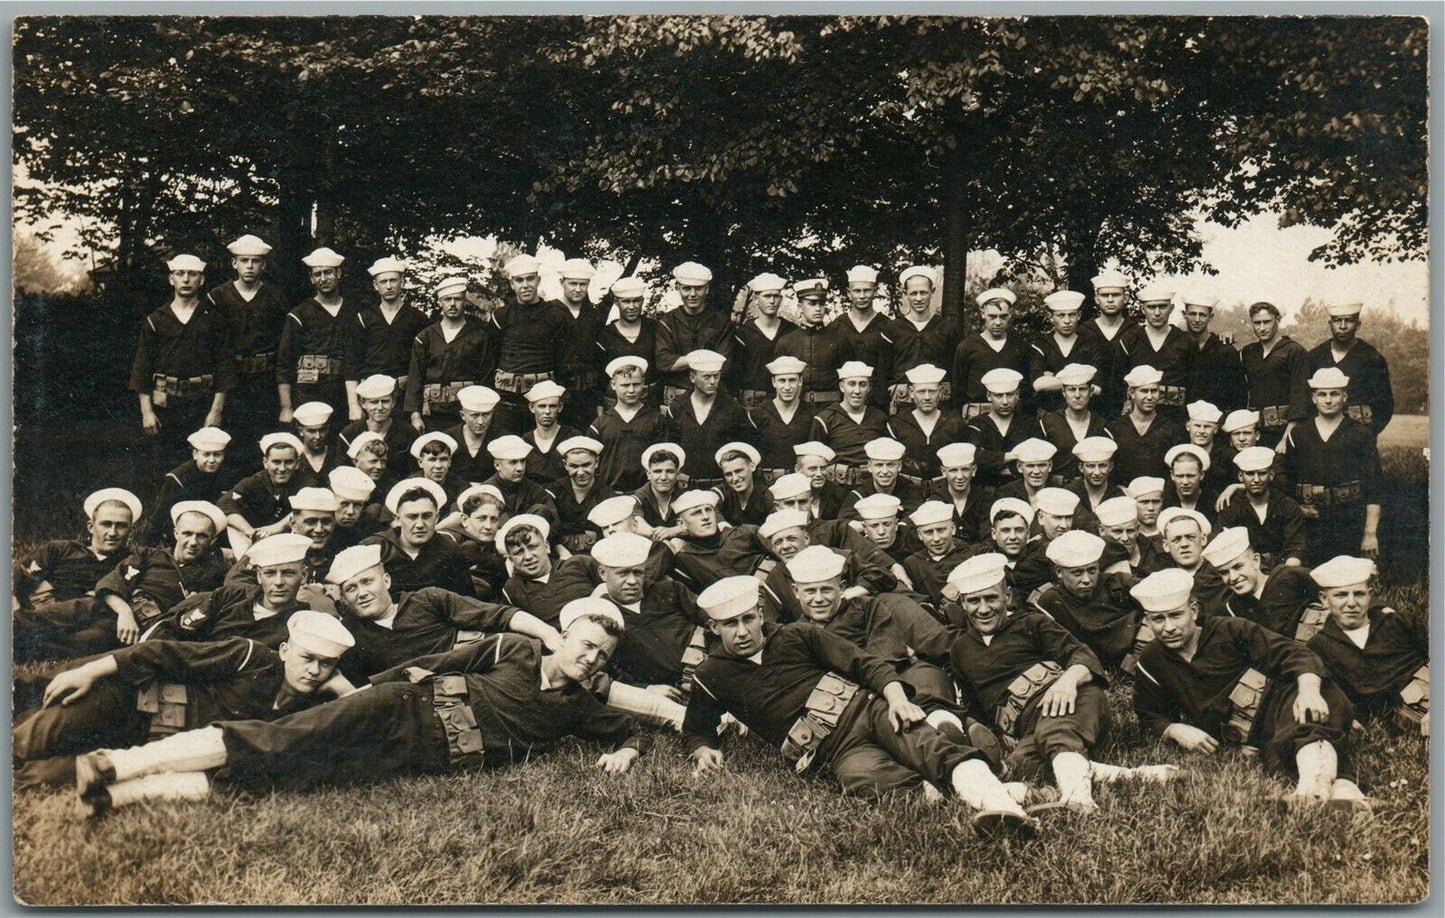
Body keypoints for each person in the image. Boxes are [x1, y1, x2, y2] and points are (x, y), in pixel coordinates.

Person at [73, 611, 644, 817]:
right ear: (564, 636)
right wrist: (359, 696)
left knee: (292, 777)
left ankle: (119, 795)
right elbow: (434, 663)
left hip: (419, 757)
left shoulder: (577, 708)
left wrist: (624, 751)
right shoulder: (515, 649)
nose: (590, 657)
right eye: (585, 644)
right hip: (400, 707)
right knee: (280, 740)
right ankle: (118, 762)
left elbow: (626, 729)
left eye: (602, 655)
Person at [684, 575, 1037, 834]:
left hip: (867, 708)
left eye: (748, 619)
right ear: (714, 626)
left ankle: (1007, 811)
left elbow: (865, 664)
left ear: (761, 614)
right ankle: (1003, 790)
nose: (742, 631)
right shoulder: (711, 674)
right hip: (833, 750)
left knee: (926, 746)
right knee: (864, 779)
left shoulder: (797, 634)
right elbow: (696, 728)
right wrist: (703, 748)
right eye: (730, 624)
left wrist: (896, 699)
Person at [15, 610, 355, 791]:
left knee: (43, 778)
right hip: (127, 704)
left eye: (326, 664)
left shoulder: (307, 710)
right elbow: (164, 652)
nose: (314, 670)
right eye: (307, 658)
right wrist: (89, 670)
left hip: (140, 748)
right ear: (284, 650)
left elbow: (357, 711)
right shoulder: (252, 657)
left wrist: (343, 689)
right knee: (27, 742)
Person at [949, 553, 1173, 814]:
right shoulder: (960, 648)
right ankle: (1142, 775)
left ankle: (1080, 800)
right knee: (1017, 769)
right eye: (974, 601)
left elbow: (1082, 655)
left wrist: (1067, 681)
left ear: (1007, 597)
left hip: (1072, 699)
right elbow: (974, 708)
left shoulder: (1032, 622)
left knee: (1056, 735)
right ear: (963, 603)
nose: (984, 609)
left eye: (991, 598)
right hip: (1028, 727)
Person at [1130, 568, 1365, 811]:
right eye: (1158, 619)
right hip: (1249, 735)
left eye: (1176, 615)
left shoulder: (1230, 629)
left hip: (1279, 703)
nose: (1168, 627)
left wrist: (1309, 691)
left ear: (1194, 610)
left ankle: (1312, 791)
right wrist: (1175, 729)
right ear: (1147, 620)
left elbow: (1294, 653)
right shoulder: (1151, 659)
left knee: (1314, 702)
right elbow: (1148, 713)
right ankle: (1345, 791)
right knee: (1287, 747)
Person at [322, 544, 560, 681]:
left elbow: (499, 615)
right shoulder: (349, 636)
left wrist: (549, 634)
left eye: (367, 582)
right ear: (344, 598)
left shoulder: (427, 599)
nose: (362, 593)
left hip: (477, 673)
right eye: (351, 588)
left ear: (386, 580)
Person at [129, 253, 234, 475]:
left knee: (203, 465)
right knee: (164, 466)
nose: (186, 279)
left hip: (202, 405)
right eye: (180, 274)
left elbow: (225, 368)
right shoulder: (156, 320)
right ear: (171, 279)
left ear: (201, 280)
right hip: (165, 408)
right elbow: (142, 368)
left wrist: (216, 411)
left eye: (192, 274)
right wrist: (147, 412)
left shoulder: (214, 319)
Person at [14, 489, 144, 661]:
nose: (113, 533)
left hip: (93, 625)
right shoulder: (62, 549)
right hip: (49, 616)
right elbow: (17, 573)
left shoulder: (132, 561)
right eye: (106, 524)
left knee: (102, 635)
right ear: (91, 526)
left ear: (130, 530)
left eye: (121, 526)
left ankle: (24, 641)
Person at [1306, 556, 1428, 734]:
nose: (1351, 603)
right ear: (1324, 599)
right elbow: (1327, 690)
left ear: (1370, 595)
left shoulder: (1398, 622)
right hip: (1400, 718)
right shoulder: (1319, 646)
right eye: (1341, 595)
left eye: (1359, 594)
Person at [89, 501, 231, 649]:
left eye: (202, 536)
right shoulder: (147, 555)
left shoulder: (212, 575)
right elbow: (112, 583)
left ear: (213, 539)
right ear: (176, 533)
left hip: (148, 631)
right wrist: (125, 613)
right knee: (78, 608)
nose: (193, 542)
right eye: (187, 533)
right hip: (117, 611)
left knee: (88, 639)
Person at [1277, 367, 1383, 562]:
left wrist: (1370, 533)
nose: (1328, 400)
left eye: (1334, 394)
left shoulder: (1360, 434)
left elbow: (1374, 485)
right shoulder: (1299, 434)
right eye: (1322, 394)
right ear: (1313, 398)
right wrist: (1298, 509)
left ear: (1345, 397)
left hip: (1350, 521)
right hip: (1310, 523)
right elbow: (1286, 482)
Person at [145, 533, 315, 647]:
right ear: (258, 576)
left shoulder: (303, 625)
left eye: (288, 573)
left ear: (304, 576)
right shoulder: (231, 596)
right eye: (269, 573)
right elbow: (174, 627)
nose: (278, 582)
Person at [207, 235, 290, 456]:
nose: (250, 266)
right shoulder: (217, 297)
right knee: (228, 442)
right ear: (234, 263)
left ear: (264, 265)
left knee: (264, 442)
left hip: (265, 382)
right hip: (230, 382)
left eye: (255, 261)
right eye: (244, 260)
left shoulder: (275, 297)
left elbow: (284, 345)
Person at [1030, 531, 1150, 672]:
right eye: (1077, 573)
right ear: (1059, 572)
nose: (1087, 580)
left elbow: (1157, 590)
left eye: (1092, 570)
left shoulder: (1117, 582)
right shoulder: (1051, 600)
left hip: (1134, 658)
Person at [488, 254, 570, 437]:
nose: (525, 285)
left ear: (538, 280)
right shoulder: (501, 316)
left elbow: (563, 360)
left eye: (530, 279)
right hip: (507, 400)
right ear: (512, 284)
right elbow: (491, 357)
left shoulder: (555, 315)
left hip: (543, 399)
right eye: (519, 280)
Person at [277, 247, 358, 424]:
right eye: (317, 274)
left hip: (345, 393)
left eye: (328, 272)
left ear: (339, 273)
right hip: (309, 391)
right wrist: (286, 406)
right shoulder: (299, 314)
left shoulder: (354, 312)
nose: (323, 278)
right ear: (311, 278)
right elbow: (284, 364)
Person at [404, 276, 494, 434]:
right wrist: (415, 416)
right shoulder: (425, 337)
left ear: (464, 301)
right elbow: (415, 378)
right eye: (447, 299)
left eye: (457, 299)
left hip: (466, 414)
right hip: (432, 415)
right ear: (440, 302)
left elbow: (486, 378)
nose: (452, 304)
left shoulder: (479, 336)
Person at [362, 478, 475, 598]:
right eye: (412, 517)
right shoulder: (376, 547)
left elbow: (466, 600)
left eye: (426, 516)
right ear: (398, 519)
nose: (420, 524)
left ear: (437, 518)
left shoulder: (449, 550)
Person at [1202, 527, 1322, 640]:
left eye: (1238, 567)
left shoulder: (1287, 577)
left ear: (1256, 560)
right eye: (1224, 572)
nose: (1233, 577)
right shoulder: (1233, 607)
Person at [347, 256, 430, 417]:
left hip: (405, 396)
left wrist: (417, 408)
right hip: (371, 395)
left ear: (402, 282)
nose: (389, 286)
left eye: (393, 280)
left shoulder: (418, 318)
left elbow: (424, 365)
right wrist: (353, 405)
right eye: (383, 282)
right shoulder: (364, 318)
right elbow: (351, 363)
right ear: (375, 285)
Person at [664, 348, 755, 488]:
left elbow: (745, 447)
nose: (713, 382)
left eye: (716, 376)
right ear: (692, 377)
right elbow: (669, 449)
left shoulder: (732, 408)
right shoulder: (677, 407)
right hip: (684, 486)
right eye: (707, 377)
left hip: (722, 486)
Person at [1306, 302, 1393, 436]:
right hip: (1321, 436)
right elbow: (1305, 399)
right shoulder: (1314, 356)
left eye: (1349, 321)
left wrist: (1366, 435)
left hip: (1358, 435)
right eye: (1337, 321)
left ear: (1358, 325)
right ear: (1330, 324)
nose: (1343, 326)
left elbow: (1384, 405)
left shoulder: (1372, 358)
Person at [1215, 446, 1307, 571]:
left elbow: (1295, 548)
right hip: (1245, 571)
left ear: (1271, 475)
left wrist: (1284, 576)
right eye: (1250, 474)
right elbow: (1222, 547)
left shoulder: (1287, 505)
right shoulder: (1231, 509)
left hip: (1283, 571)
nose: (1256, 479)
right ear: (1240, 476)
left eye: (1262, 473)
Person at [655, 262, 733, 406]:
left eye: (698, 288)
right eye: (686, 288)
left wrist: (682, 361)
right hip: (675, 397)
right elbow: (662, 361)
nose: (692, 294)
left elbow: (724, 363)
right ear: (678, 289)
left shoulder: (721, 322)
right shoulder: (668, 322)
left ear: (707, 289)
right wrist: (702, 358)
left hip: (712, 396)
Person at [1111, 283, 1192, 421]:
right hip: (1137, 417)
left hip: (1175, 417)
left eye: (1162, 306)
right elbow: (1117, 383)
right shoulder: (1130, 339)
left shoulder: (1186, 341)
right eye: (1151, 307)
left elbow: (1194, 384)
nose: (1157, 313)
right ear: (1143, 309)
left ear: (1171, 308)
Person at [591, 357, 672, 494]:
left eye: (636, 384)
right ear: (613, 384)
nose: (631, 390)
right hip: (610, 495)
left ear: (643, 383)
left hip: (646, 494)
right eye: (625, 385)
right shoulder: (600, 424)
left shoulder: (657, 419)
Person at [143, 427, 233, 546]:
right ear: (195, 454)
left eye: (217, 455)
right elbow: (159, 517)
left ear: (223, 455)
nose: (212, 460)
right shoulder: (178, 477)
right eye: (206, 454)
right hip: (183, 538)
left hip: (215, 535)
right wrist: (146, 550)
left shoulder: (227, 475)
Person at [1240, 301, 1311, 449]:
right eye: (1257, 323)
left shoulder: (1293, 351)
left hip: (1284, 430)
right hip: (1256, 431)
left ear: (1277, 320)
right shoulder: (1249, 352)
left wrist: (1286, 438)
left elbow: (1300, 398)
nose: (1262, 328)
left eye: (1267, 322)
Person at [890, 267, 960, 412]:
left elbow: (955, 371)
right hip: (904, 404)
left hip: (939, 404)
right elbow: (885, 371)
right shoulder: (893, 328)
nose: (919, 298)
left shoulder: (946, 328)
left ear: (932, 291)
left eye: (923, 292)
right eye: (913, 293)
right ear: (905, 294)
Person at [952, 287, 1031, 418]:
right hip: (977, 415)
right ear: (982, 314)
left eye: (1003, 316)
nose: (998, 322)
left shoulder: (1020, 346)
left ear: (1010, 314)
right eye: (992, 317)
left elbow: (1026, 388)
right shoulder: (967, 346)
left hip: (1013, 415)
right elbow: (958, 390)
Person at [775, 277, 853, 406]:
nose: (818, 308)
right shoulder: (786, 341)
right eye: (812, 303)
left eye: (821, 303)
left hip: (832, 408)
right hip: (797, 409)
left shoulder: (838, 340)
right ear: (800, 307)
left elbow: (850, 379)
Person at [829, 265, 898, 411]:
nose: (862, 296)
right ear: (849, 292)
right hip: (844, 404)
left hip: (878, 405)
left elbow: (891, 368)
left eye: (866, 290)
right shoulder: (836, 327)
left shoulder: (887, 326)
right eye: (857, 291)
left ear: (875, 291)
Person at [1030, 290, 1108, 416]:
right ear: (1051, 317)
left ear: (1079, 315)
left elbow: (1097, 388)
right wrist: (1083, 380)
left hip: (1085, 415)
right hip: (1050, 415)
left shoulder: (1091, 344)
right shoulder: (1041, 345)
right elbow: (1038, 384)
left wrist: (1052, 379)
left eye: (1071, 315)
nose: (1067, 321)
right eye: (1061, 315)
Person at [887, 364, 968, 481]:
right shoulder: (897, 424)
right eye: (921, 392)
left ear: (941, 391)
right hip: (908, 487)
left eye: (932, 391)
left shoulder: (955, 422)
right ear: (911, 392)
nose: (927, 397)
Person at [1107, 365, 1184, 485]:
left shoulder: (1171, 429)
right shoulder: (1115, 428)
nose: (1149, 397)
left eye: (1154, 391)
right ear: (1132, 393)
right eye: (1144, 391)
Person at [729, 272, 796, 409]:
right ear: (755, 299)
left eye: (775, 296)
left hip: (785, 399)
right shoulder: (743, 333)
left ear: (780, 299)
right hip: (751, 402)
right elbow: (735, 373)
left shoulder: (791, 330)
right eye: (767, 296)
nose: (772, 301)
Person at [555, 257, 608, 428]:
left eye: (583, 284)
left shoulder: (593, 316)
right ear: (562, 282)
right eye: (572, 283)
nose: (578, 289)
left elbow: (600, 360)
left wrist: (599, 400)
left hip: (588, 395)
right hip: (557, 393)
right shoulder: (550, 311)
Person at [1037, 363, 1111, 482]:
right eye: (1072, 389)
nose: (1077, 395)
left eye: (1082, 389)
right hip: (1057, 489)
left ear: (1091, 391)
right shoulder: (1048, 423)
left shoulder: (1102, 425)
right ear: (1063, 392)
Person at [496, 514, 574, 627]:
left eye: (532, 547)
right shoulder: (513, 588)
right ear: (511, 560)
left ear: (546, 546)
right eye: (518, 552)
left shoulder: (577, 565)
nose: (528, 556)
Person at [596, 276, 661, 408]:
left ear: (642, 301)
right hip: (616, 402)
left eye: (636, 301)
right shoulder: (606, 334)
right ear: (616, 301)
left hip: (651, 400)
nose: (632, 307)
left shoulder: (654, 328)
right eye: (626, 301)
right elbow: (600, 376)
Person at [437, 484, 511, 599]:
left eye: (494, 519)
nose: (488, 526)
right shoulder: (449, 540)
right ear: (465, 520)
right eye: (481, 518)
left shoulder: (495, 550)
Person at [748, 355, 817, 477]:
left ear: (800, 381)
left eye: (792, 380)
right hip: (768, 481)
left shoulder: (812, 413)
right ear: (773, 382)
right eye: (782, 381)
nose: (787, 387)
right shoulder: (758, 414)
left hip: (801, 481)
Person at [965, 367, 1032, 492]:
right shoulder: (977, 424)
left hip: (1021, 489)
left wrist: (991, 458)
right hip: (985, 490)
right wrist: (1011, 456)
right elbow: (974, 456)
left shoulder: (1028, 423)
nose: (1005, 401)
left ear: (1017, 395)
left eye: (1010, 394)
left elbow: (1035, 454)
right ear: (989, 396)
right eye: (999, 396)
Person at [546, 436, 616, 554]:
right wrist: (560, 551)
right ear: (565, 465)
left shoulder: (607, 496)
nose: (580, 472)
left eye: (586, 465)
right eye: (574, 466)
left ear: (596, 462)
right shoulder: (554, 492)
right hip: (560, 555)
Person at [1180, 293, 1245, 414]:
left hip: (1217, 419)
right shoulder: (1178, 347)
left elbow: (1239, 395)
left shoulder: (1225, 350)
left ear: (1210, 317)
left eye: (1202, 315)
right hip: (1183, 418)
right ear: (1184, 314)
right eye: (1192, 314)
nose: (1197, 320)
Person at [1157, 507, 1229, 616]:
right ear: (1166, 545)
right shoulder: (1162, 579)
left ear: (1203, 539)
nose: (1184, 544)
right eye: (1176, 540)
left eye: (1190, 537)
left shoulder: (1222, 573)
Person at [338, 374, 415, 474]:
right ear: (363, 403)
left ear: (393, 402)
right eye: (374, 402)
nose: (380, 407)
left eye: (385, 401)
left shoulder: (408, 432)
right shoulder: (350, 434)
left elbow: (414, 472)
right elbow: (342, 472)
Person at [902, 500, 972, 609]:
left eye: (941, 530)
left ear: (953, 528)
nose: (936, 538)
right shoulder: (913, 563)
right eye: (928, 532)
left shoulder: (970, 556)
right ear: (919, 535)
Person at [841, 437, 925, 519]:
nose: (885, 471)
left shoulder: (910, 491)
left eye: (890, 465)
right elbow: (843, 521)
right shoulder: (860, 493)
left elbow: (916, 517)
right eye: (879, 465)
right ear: (869, 466)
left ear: (899, 466)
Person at [521, 379, 581, 487]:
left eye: (552, 406)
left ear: (560, 407)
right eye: (542, 406)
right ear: (532, 408)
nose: (547, 411)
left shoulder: (573, 437)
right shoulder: (525, 442)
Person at [930, 443, 992, 546]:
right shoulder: (935, 502)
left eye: (965, 469)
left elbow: (988, 537)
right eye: (953, 470)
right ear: (943, 471)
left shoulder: (985, 499)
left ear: (973, 470)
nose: (959, 476)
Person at [482, 435, 555, 519]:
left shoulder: (535, 491)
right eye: (513, 462)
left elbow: (554, 522)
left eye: (523, 461)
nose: (520, 468)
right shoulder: (486, 491)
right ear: (497, 465)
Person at [443, 384, 503, 484]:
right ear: (463, 415)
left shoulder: (501, 439)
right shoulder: (448, 438)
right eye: (474, 415)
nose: (481, 421)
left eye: (486, 415)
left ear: (492, 413)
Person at [1067, 437, 1126, 528]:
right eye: (1091, 466)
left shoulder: (1119, 496)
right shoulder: (1069, 494)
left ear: (1111, 467)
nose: (1097, 472)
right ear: (1081, 467)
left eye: (1102, 465)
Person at [712, 442, 771, 527]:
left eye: (739, 471)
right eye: (728, 474)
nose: (735, 478)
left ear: (752, 466)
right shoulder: (722, 491)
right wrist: (722, 524)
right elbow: (709, 501)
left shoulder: (765, 494)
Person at [634, 443, 687, 537]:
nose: (663, 477)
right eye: (657, 471)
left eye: (670, 471)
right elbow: (635, 522)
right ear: (648, 474)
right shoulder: (638, 498)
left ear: (678, 474)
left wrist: (674, 531)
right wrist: (655, 534)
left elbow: (697, 524)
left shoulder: (686, 496)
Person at [792, 442, 851, 521]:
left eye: (823, 468)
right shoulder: (788, 494)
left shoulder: (838, 492)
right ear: (797, 469)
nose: (819, 474)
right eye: (813, 469)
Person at [992, 437, 1059, 506]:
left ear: (1050, 466)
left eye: (1041, 465)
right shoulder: (1006, 493)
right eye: (1030, 466)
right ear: (1019, 467)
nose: (1036, 472)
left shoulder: (1059, 491)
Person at [289, 401, 341, 488]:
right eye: (311, 431)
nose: (318, 436)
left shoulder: (336, 454)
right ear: (301, 431)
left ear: (328, 429)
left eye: (322, 430)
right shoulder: (294, 458)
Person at [1161, 444, 1219, 522]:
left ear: (1201, 475)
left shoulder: (1214, 502)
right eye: (1180, 476)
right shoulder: (1164, 502)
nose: (1185, 482)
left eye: (1190, 476)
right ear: (1172, 475)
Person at [409, 432, 468, 507]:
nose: (438, 466)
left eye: (443, 459)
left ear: (449, 462)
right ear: (420, 462)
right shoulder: (410, 486)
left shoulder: (460, 486)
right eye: (432, 460)